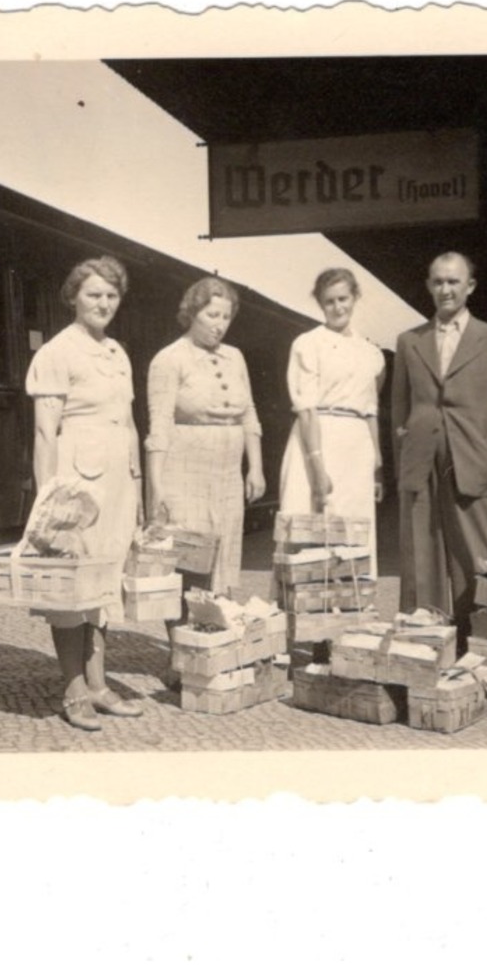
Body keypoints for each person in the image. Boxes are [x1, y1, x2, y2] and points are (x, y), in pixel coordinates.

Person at [25, 256, 144, 731]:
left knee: (104, 578)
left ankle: (98, 684)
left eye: (112, 296)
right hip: (77, 480)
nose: (104, 304)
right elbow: (43, 434)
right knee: (71, 582)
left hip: (117, 482)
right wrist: (47, 500)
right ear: (73, 296)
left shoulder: (117, 353)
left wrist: (138, 483)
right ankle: (73, 690)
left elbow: (132, 424)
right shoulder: (57, 352)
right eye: (94, 294)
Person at [392, 251, 487, 645]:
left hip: (473, 458)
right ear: (428, 286)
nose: (445, 289)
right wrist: (404, 458)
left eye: (453, 281)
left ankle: (481, 645)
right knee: (422, 559)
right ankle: (427, 648)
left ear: (469, 286)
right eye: (437, 281)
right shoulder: (408, 341)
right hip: (420, 462)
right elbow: (398, 411)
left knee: (476, 560)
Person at [146, 277, 266, 593]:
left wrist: (255, 467)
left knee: (225, 554)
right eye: (212, 315)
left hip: (228, 474)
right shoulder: (169, 359)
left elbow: (249, 413)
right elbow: (159, 425)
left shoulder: (236, 357)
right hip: (184, 471)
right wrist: (157, 486)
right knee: (189, 558)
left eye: (226, 317)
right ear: (192, 312)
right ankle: (186, 639)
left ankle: (216, 634)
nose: (220, 325)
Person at [279, 268, 387, 574]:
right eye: (330, 301)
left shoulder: (371, 353)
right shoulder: (307, 343)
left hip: (356, 447)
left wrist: (377, 467)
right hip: (315, 441)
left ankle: (354, 608)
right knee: (307, 531)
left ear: (355, 298)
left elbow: (370, 410)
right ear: (320, 304)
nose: (338, 307)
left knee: (354, 533)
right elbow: (306, 409)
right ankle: (303, 613)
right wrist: (317, 466)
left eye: (344, 299)